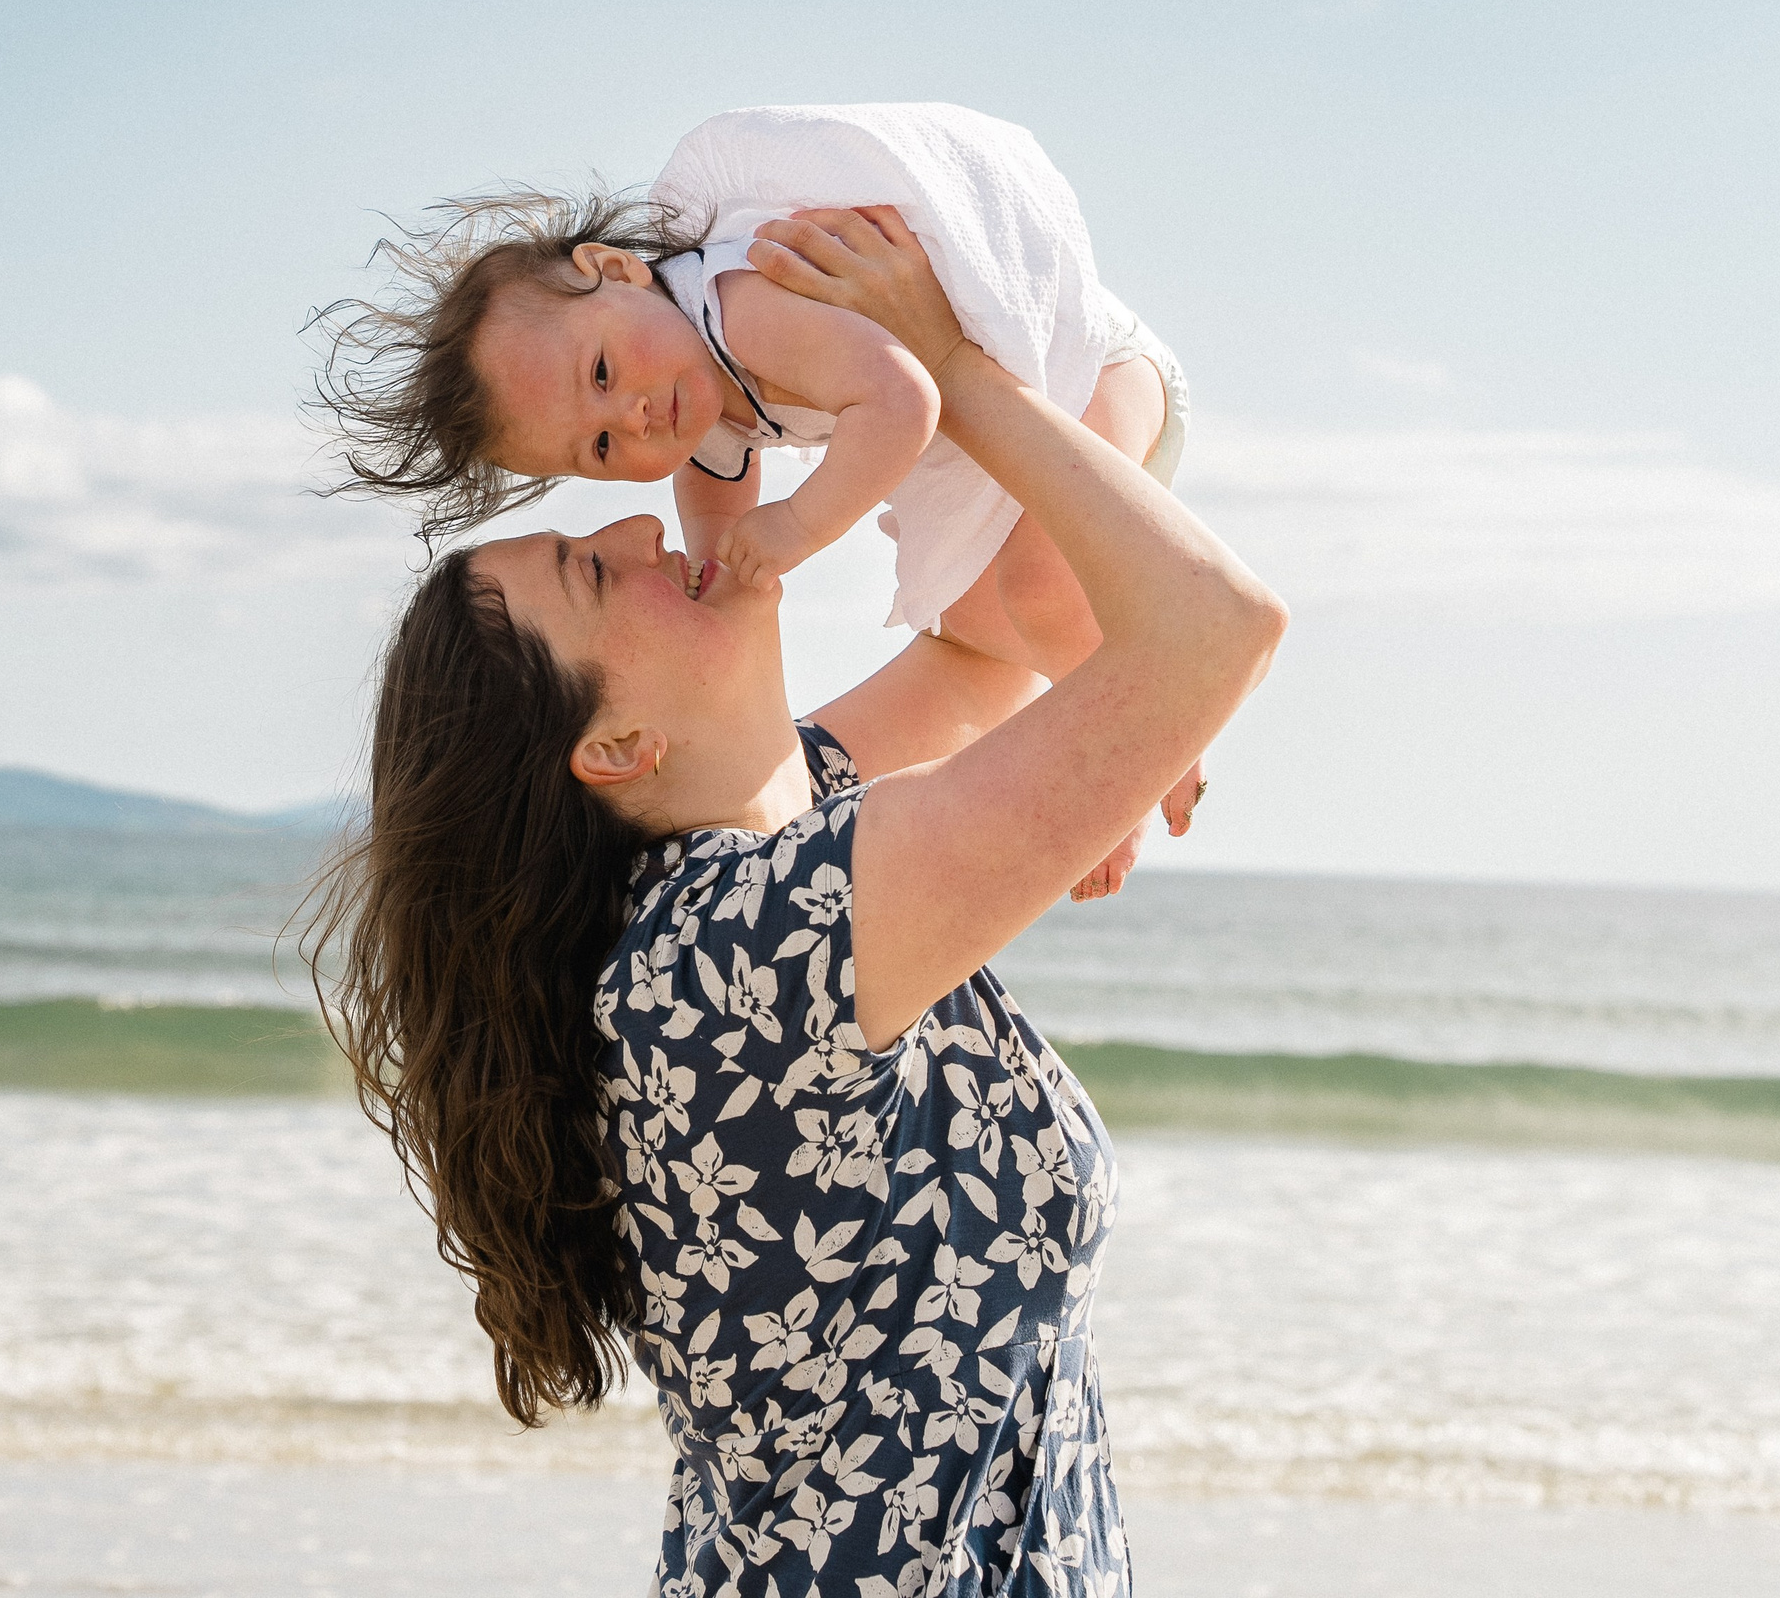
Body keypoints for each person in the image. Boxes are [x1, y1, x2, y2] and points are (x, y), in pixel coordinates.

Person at [308, 206, 1284, 1594]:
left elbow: (984, 649)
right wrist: (958, 367)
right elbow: (1216, 628)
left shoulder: (772, 850)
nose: (650, 519)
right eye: (596, 568)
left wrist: (933, 378)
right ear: (614, 748)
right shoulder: (732, 949)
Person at [313, 104, 1205, 894]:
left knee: (1042, 596)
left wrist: (800, 525)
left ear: (616, 269)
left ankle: (1154, 751)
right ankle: (1126, 711)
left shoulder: (740, 309)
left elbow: (904, 401)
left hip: (1097, 371)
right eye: (599, 445)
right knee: (980, 618)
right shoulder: (696, 391)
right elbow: (712, 489)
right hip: (1024, 431)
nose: (635, 417)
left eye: (601, 371)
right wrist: (713, 561)